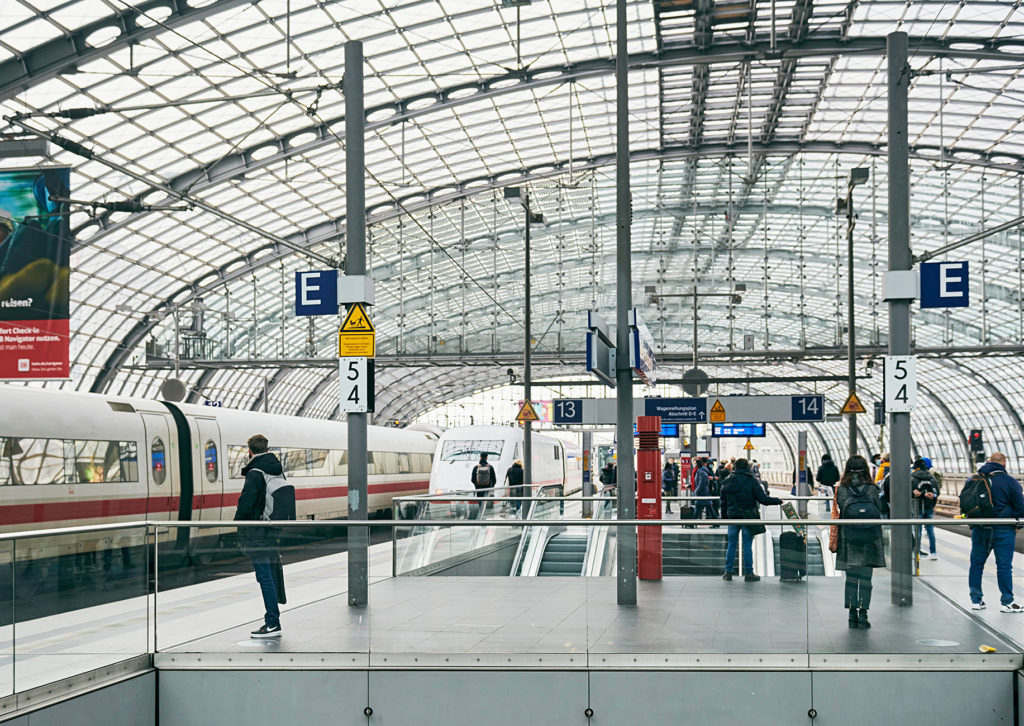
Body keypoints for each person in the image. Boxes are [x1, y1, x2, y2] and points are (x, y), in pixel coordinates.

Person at [234, 434, 296, 639]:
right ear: (267, 449)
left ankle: (272, 622)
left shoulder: (255, 472)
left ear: (250, 451)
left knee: (264, 577)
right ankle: (273, 619)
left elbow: (246, 503)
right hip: (272, 530)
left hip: (258, 532)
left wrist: (237, 525)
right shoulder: (277, 469)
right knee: (270, 573)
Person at [829, 455, 884, 629]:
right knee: (866, 580)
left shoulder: (841, 489)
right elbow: (879, 510)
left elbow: (840, 510)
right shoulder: (872, 489)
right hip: (869, 540)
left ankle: (852, 615)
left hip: (849, 539)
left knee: (851, 579)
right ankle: (863, 615)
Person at [967, 452, 1024, 612]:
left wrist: (973, 525)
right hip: (1003, 528)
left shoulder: (974, 480)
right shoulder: (1009, 481)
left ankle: (976, 600)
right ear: (1004, 464)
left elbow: (966, 504)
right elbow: (1021, 507)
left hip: (980, 528)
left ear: (989, 461)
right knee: (1004, 566)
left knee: (977, 564)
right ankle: (1007, 602)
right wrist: (1017, 526)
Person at [721, 458, 781, 581]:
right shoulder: (751, 481)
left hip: (732, 517)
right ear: (747, 467)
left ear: (734, 467)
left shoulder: (727, 480)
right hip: (748, 517)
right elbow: (763, 499)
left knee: (731, 544)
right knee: (747, 544)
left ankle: (728, 572)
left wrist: (724, 516)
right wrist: (778, 501)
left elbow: (723, 501)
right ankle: (749, 573)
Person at [911, 457, 939, 560]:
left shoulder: (912, 477)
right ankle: (933, 552)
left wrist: (918, 494)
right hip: (929, 507)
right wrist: (932, 496)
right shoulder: (931, 478)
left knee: (917, 531)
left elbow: (910, 492)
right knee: (931, 531)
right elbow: (937, 492)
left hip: (917, 507)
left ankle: (917, 552)